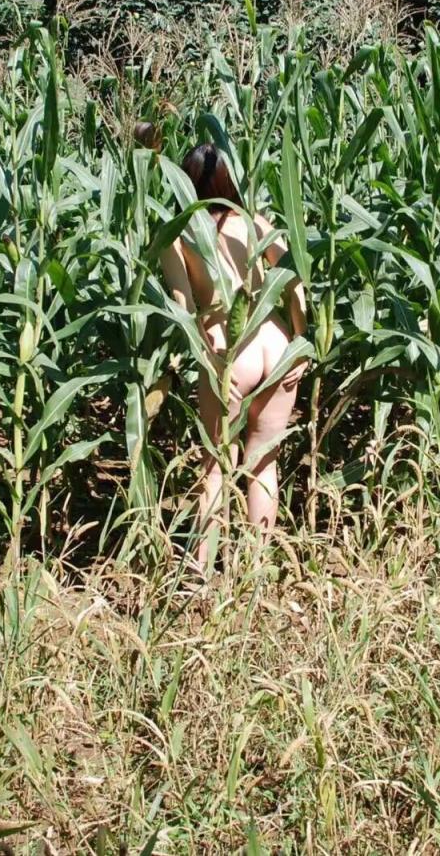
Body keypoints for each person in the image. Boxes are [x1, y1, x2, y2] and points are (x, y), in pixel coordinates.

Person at [157, 142, 307, 571]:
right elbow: (294, 283)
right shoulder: (257, 223)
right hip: (276, 346)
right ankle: (255, 570)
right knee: (264, 463)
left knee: (215, 469)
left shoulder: (177, 234)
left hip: (227, 353)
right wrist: (300, 344)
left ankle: (203, 575)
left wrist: (202, 361)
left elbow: (184, 309)